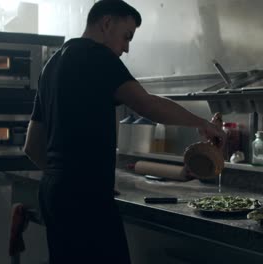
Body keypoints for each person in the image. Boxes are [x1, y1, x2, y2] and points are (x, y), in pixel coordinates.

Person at [23, 0, 225, 263]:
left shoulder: (51, 66)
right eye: (126, 36)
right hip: (85, 201)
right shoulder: (97, 56)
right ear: (106, 23)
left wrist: (67, 181)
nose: (127, 48)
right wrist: (203, 124)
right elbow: (148, 104)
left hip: (54, 195)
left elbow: (32, 146)